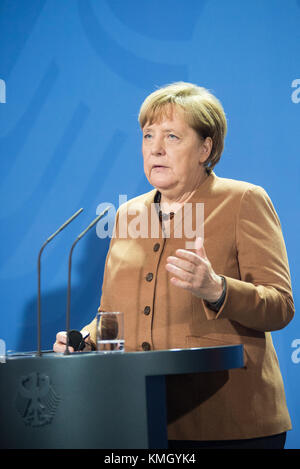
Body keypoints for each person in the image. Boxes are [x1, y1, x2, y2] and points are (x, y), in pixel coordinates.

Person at [54, 82, 294, 449]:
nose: (156, 148)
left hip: (229, 424)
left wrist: (218, 290)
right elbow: (111, 314)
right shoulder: (129, 215)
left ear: (205, 148)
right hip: (142, 421)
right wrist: (84, 340)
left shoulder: (243, 201)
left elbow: (280, 306)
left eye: (172, 136)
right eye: (148, 136)